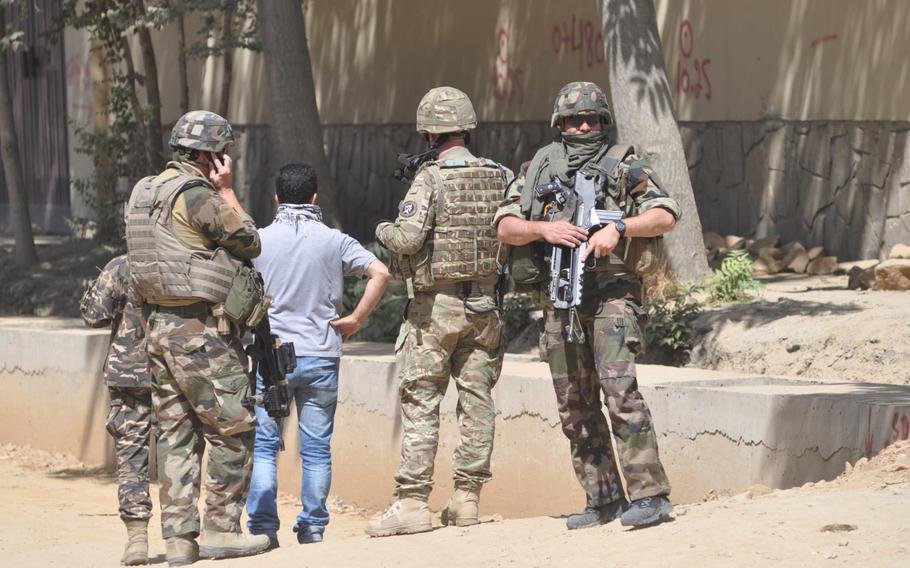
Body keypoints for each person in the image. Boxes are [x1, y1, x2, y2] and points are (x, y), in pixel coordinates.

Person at [495, 81, 680, 530]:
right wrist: (544, 231)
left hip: (612, 294)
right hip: (560, 298)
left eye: (593, 119)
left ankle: (650, 496)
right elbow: (504, 225)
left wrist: (618, 227)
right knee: (573, 404)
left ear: (604, 122)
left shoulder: (623, 163)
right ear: (561, 124)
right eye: (576, 120)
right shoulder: (538, 166)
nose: (584, 126)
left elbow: (666, 214)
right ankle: (603, 500)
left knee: (620, 391)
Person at [365, 86, 513, 537]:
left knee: (422, 402)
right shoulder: (501, 174)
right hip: (485, 307)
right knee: (477, 403)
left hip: (435, 312)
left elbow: (408, 240)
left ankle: (412, 503)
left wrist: (382, 229)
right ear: (467, 128)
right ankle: (467, 499)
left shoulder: (428, 178)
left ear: (428, 132)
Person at [125, 110, 270, 565]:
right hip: (200, 331)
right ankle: (223, 530)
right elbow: (249, 240)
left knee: (174, 433)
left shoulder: (144, 192)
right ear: (212, 154)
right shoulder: (195, 194)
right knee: (233, 426)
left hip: (159, 329)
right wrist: (227, 189)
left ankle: (179, 541)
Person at [246, 163, 390, 546]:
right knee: (316, 448)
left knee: (263, 445)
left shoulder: (259, 240)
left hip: (272, 356)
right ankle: (312, 528)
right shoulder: (335, 240)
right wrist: (356, 318)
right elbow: (381, 273)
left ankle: (262, 529)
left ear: (276, 199)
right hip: (322, 356)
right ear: (315, 198)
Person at [80, 255, 153, 566]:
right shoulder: (189, 257)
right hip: (180, 372)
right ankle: (183, 537)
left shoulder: (124, 265)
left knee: (132, 457)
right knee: (182, 454)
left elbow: (93, 314)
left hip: (130, 375)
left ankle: (137, 539)